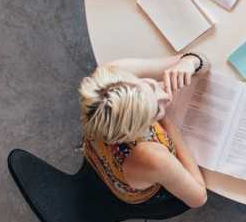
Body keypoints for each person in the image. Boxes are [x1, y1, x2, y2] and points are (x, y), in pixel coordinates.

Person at [78, 53, 208, 207]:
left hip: (97, 153)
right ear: (136, 132)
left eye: (151, 85)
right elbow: (199, 197)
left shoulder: (111, 74)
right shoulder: (153, 156)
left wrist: (190, 62)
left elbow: (199, 61)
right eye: (155, 111)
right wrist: (169, 124)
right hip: (135, 192)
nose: (165, 96)